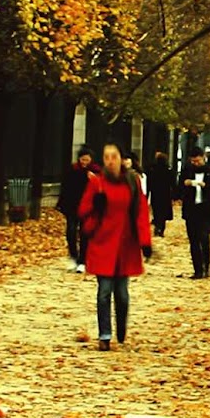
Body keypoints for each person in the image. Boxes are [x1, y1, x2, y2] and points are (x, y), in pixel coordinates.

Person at [78, 141, 153, 349]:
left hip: (125, 245)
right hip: (103, 243)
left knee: (122, 294)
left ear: (122, 159)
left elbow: (140, 212)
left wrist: (145, 242)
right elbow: (83, 210)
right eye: (106, 157)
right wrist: (96, 206)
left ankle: (121, 327)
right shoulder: (97, 183)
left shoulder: (132, 182)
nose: (110, 161)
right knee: (104, 291)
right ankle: (104, 335)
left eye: (114, 156)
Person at [179, 146, 210, 278]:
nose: (196, 164)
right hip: (191, 209)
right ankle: (197, 270)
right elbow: (178, 188)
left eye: (198, 161)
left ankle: (206, 266)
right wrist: (185, 184)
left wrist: (206, 186)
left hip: (206, 210)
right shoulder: (187, 170)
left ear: (203, 158)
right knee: (193, 240)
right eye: (193, 161)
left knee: (204, 238)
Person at [57, 148, 96, 273]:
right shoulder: (72, 170)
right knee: (71, 232)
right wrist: (62, 204)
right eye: (83, 159)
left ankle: (82, 260)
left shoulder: (95, 171)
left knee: (85, 234)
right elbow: (65, 188)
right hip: (72, 206)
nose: (85, 162)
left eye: (87, 160)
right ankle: (73, 256)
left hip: (88, 207)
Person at [147, 150, 173, 237]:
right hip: (165, 194)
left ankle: (157, 227)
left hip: (156, 193)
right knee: (163, 213)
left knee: (156, 211)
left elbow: (149, 182)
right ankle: (161, 229)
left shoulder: (152, 169)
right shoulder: (168, 169)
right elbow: (172, 182)